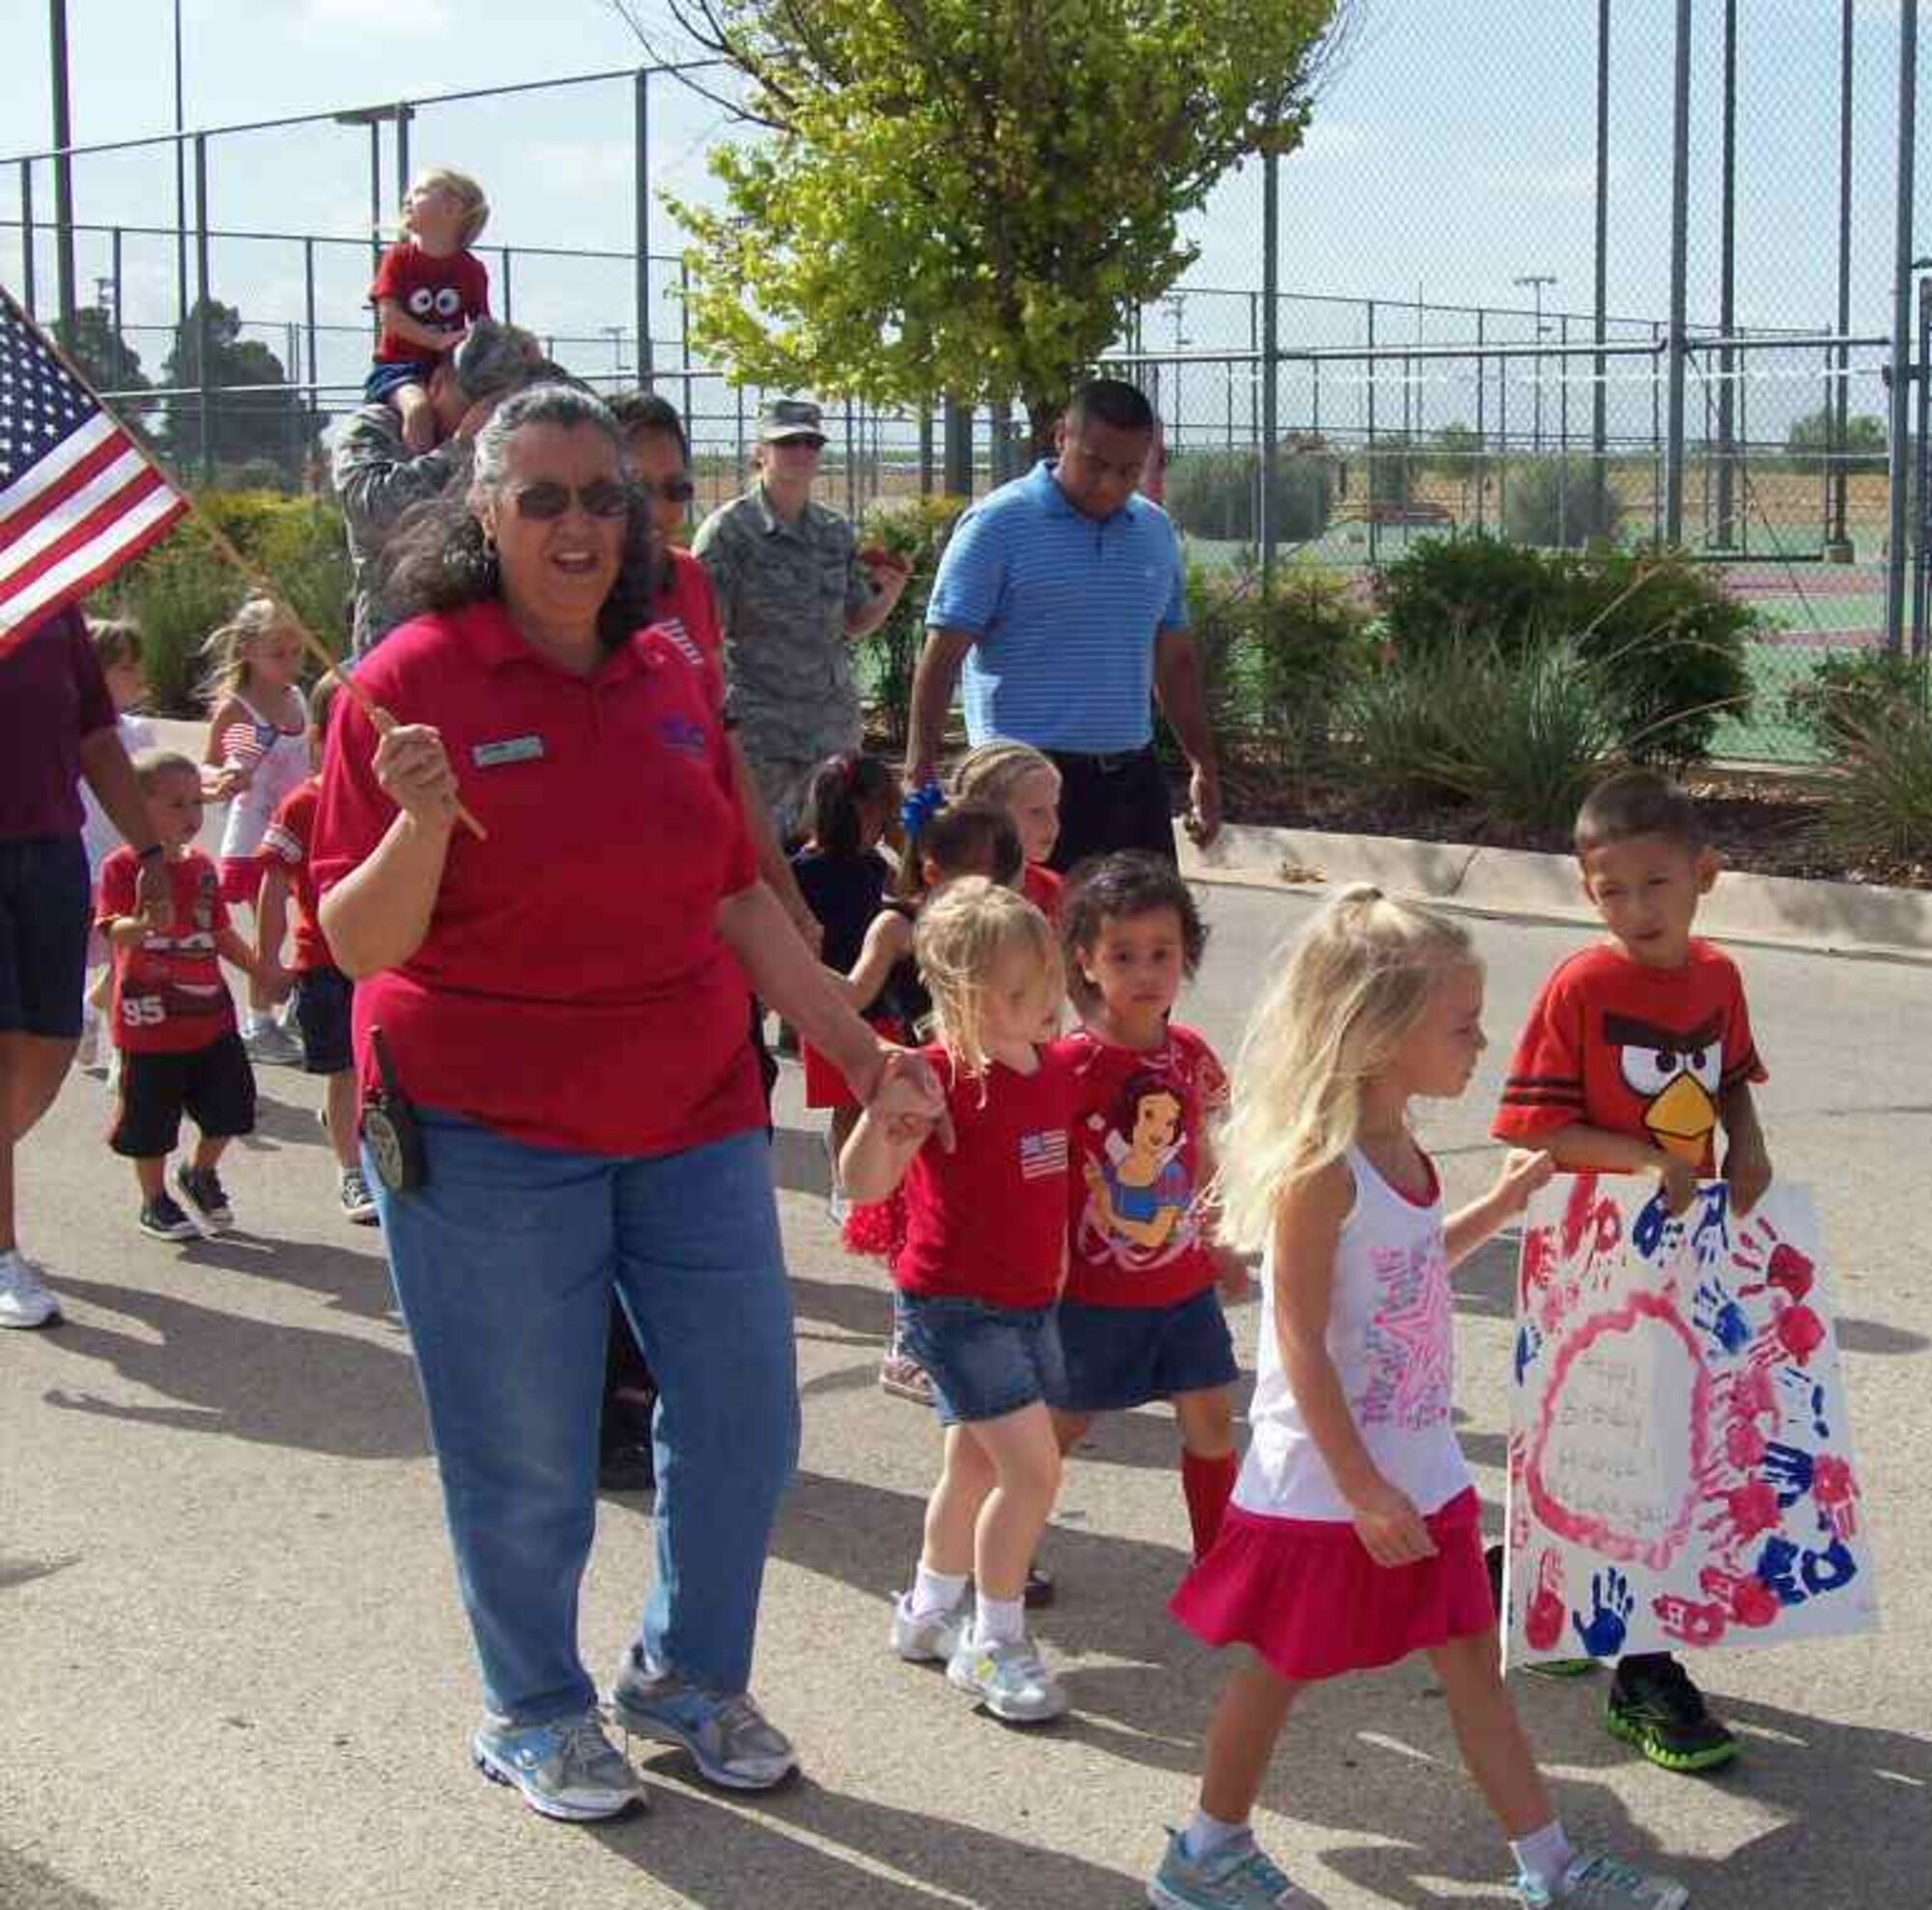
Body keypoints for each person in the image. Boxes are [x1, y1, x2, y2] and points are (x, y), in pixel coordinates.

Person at [312, 382, 946, 1822]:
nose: (583, 524)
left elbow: (737, 892)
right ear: (482, 514)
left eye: (608, 496)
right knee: (523, 1442)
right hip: (486, 1129)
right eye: (543, 498)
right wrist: (418, 819)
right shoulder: (408, 681)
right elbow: (357, 945)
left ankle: (685, 1675)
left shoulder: (666, 666)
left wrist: (861, 1051)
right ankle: (533, 1704)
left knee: (742, 1416)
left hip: (692, 1106)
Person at [1151, 887, 1688, 1910]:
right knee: (1277, 1668)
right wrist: (1357, 1486)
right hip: (1323, 1478)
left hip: (1417, 1463)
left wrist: (1495, 1205)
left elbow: (1406, 1272)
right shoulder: (1322, 1171)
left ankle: (1551, 1867)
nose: (1479, 1043)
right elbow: (1298, 1339)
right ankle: (1203, 1852)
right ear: (1380, 1031)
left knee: (1469, 1665)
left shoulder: (1405, 1155)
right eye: (1460, 1025)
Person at [1491, 768, 1770, 1776]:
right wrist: (1650, 1160)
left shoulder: (1718, 977)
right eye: (1612, 891)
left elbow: (1728, 1074)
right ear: (1584, 891)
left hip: (1688, 1252)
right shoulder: (1579, 986)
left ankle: (1537, 1584)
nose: (1635, 910)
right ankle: (1641, 1669)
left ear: (1702, 875)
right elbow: (1530, 1128)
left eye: (1656, 884)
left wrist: (1745, 1143)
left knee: (1672, 1445)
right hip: (1591, 1257)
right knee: (1622, 1454)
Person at [840, 877, 1076, 1726]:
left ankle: (930, 1609)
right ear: (955, 992)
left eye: (1044, 984)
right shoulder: (935, 1075)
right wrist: (884, 1121)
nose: (1039, 1004)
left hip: (1028, 1304)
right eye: (1015, 993)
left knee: (974, 1464)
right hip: (955, 1306)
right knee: (1032, 1468)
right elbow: (860, 1182)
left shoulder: (1051, 1070)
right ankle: (994, 1638)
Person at [906, 378, 1221, 870]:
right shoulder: (997, 525)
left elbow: (1174, 661)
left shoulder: (1155, 532)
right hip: (1023, 789)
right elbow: (943, 655)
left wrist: (1203, 764)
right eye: (1095, 464)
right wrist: (919, 773)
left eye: (1128, 470)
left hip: (1131, 782)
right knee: (1028, 942)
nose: (1110, 484)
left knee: (1144, 939)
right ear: (1060, 438)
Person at [1052, 853, 1243, 1564]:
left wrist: (1220, 1237)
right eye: (1123, 955)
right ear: (1087, 962)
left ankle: (1218, 1560)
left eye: (1162, 953)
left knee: (1212, 1416)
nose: (1145, 971)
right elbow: (1037, 1175)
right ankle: (1002, 1543)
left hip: (1182, 1285)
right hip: (1092, 1296)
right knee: (1055, 1432)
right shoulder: (1067, 1068)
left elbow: (1204, 1155)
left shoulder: (1190, 1054)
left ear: (1185, 957)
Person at [0, 605, 172, 1327]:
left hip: (50, 851)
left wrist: (149, 849)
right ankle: (4, 1250)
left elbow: (97, 737)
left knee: (52, 1041)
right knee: (4, 1049)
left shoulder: (51, 598)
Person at [836, 798, 1023, 1401]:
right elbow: (853, 994)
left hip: (983, 1083)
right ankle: (906, 1347)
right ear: (935, 872)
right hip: (922, 1085)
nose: (997, 890)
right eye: (984, 876)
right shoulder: (897, 926)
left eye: (1004, 878)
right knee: (915, 1223)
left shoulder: (997, 928)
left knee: (970, 1214)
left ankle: (983, 1332)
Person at [692, 397, 911, 838]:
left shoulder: (833, 532)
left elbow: (852, 624)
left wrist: (889, 594)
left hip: (829, 727)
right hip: (760, 730)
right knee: (764, 852)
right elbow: (704, 634)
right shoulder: (729, 532)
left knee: (837, 849)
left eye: (811, 442)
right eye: (788, 441)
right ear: (760, 452)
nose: (802, 452)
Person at [98, 750, 264, 1241]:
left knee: (233, 1107)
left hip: (211, 1019)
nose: (192, 816)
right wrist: (145, 922)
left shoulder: (202, 869)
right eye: (175, 804)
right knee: (150, 1125)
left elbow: (219, 934)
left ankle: (199, 1171)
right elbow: (111, 931)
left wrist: (264, 970)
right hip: (148, 1025)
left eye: (196, 803)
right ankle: (154, 1201)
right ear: (137, 808)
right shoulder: (123, 868)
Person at [333, 318, 543, 655]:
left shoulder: (512, 443)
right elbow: (376, 510)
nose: (481, 418)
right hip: (397, 654)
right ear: (438, 382)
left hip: (488, 655)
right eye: (471, 403)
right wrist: (461, 448)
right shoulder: (377, 428)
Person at [253, 676, 376, 1226]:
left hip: (380, 955)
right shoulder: (304, 803)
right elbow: (274, 884)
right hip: (324, 961)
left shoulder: (388, 798)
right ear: (324, 735)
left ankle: (350, 1127)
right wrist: (266, 961)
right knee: (344, 1071)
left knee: (378, 1072)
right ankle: (352, 1172)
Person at [201, 594, 310, 1066]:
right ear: (247, 651)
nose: (289, 663)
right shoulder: (240, 710)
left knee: (310, 917)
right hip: (257, 835)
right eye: (277, 653)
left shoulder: (297, 698)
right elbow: (212, 766)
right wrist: (227, 775)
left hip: (300, 827)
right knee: (270, 928)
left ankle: (300, 1004)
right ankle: (258, 1019)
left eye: (296, 652)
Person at [788, 752, 897, 1216]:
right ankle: (844, 1185)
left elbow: (901, 890)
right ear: (848, 811)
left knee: (877, 1094)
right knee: (846, 1102)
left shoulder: (874, 865)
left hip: (876, 995)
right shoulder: (801, 871)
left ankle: (877, 1181)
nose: (883, 827)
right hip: (830, 1001)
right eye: (879, 816)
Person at [76, 617, 157, 1070]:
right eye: (125, 667)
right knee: (80, 950)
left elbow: (154, 782)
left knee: (128, 948)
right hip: (84, 862)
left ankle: (106, 1022)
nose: (138, 676)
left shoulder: (139, 732)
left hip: (125, 860)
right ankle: (82, 1014)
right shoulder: (70, 732)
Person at [365, 168, 492, 454]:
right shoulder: (397, 259)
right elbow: (389, 315)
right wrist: (434, 340)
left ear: (452, 207)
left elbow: (482, 325)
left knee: (464, 411)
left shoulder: (471, 270)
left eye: (420, 192)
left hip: (447, 368)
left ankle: (459, 478)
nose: (408, 198)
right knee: (420, 409)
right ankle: (419, 481)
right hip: (399, 367)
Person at [948, 739, 1065, 922]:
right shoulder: (948, 898)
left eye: (1055, 808)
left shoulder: (1054, 889)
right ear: (987, 815)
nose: (1053, 824)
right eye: (1036, 811)